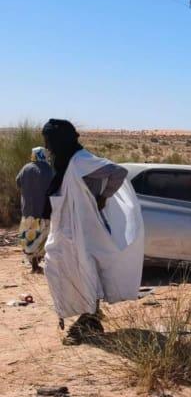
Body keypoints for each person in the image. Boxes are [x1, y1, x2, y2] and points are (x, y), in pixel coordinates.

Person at [40, 119, 144, 343]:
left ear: (60, 140)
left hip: (84, 230)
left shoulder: (80, 160)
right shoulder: (66, 162)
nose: (47, 146)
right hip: (68, 230)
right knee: (60, 268)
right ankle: (89, 316)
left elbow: (118, 171)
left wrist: (103, 197)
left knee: (83, 271)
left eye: (49, 141)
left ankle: (89, 320)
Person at [15, 147, 54, 272]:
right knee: (43, 238)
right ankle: (37, 263)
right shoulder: (48, 170)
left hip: (27, 210)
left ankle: (33, 265)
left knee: (29, 238)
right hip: (44, 210)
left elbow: (18, 182)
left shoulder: (26, 168)